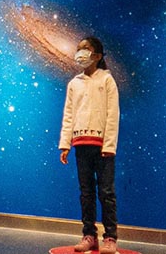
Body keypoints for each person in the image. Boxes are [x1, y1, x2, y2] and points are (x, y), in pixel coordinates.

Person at [59, 37, 120, 254]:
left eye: (86, 49)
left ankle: (110, 237)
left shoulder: (107, 80)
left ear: (97, 55)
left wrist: (109, 145)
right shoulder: (74, 83)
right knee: (86, 192)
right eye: (79, 49)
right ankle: (89, 235)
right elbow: (69, 115)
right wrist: (65, 143)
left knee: (106, 192)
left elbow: (113, 114)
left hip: (102, 147)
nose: (81, 52)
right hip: (81, 144)